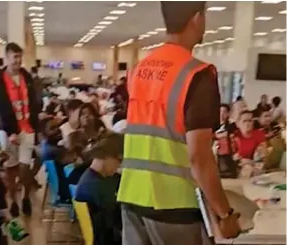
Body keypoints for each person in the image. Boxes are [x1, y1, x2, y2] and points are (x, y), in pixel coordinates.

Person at [117, 2, 240, 245]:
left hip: (132, 197)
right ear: (196, 18)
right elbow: (199, 157)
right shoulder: (197, 75)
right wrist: (224, 214)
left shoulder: (139, 70)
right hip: (174, 208)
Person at [0, 42, 42, 216]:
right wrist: (9, 130)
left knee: (25, 166)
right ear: (7, 58)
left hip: (27, 127)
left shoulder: (26, 76)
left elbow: (35, 100)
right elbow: (1, 105)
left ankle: (26, 197)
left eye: (20, 57)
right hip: (8, 130)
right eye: (15, 57)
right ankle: (12, 199)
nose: (18, 61)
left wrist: (36, 125)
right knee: (10, 168)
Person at [75, 133, 123, 245]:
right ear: (107, 156)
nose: (118, 166)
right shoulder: (96, 186)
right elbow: (116, 222)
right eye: (119, 161)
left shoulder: (90, 178)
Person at [215, 104, 238, 178]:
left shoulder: (231, 125)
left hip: (227, 152)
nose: (222, 114)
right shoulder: (213, 125)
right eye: (220, 111)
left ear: (228, 113)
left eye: (224, 112)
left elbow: (227, 135)